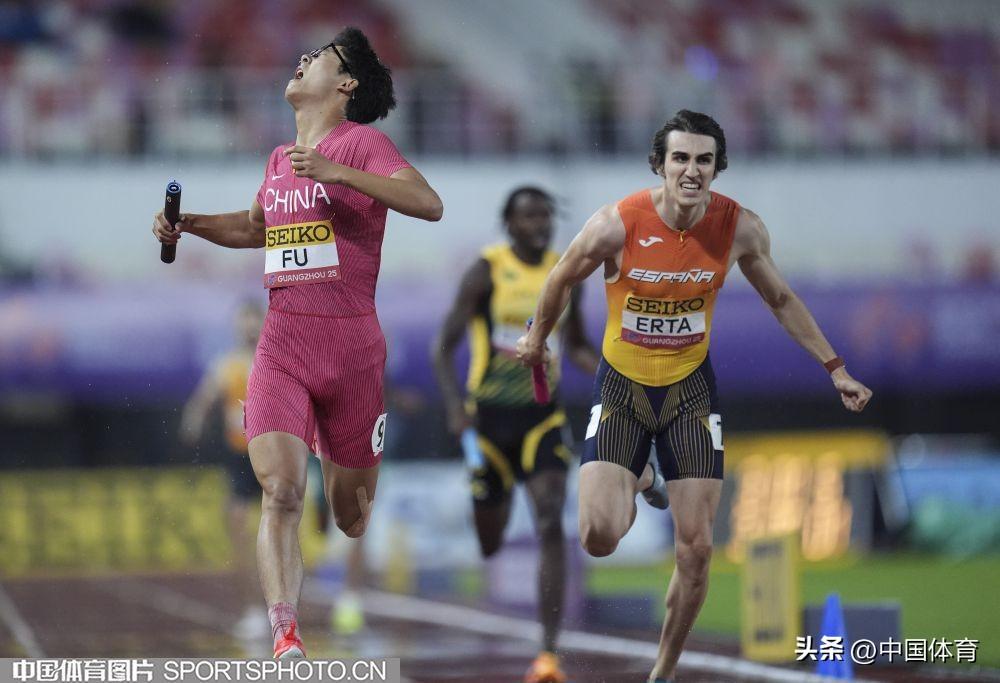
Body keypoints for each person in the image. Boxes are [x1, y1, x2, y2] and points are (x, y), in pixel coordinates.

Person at [515, 110, 872, 683]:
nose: (691, 170)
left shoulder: (740, 228)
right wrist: (537, 338)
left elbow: (781, 299)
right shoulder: (615, 224)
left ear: (716, 167)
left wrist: (835, 368)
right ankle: (642, 478)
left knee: (697, 551)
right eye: (680, 158)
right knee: (598, 537)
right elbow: (560, 277)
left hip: (690, 393)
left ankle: (663, 671)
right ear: (660, 165)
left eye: (704, 160)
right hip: (623, 389)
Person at [153, 27, 443, 659]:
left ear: (346, 84)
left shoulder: (362, 143)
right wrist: (188, 223)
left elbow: (428, 203)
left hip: (353, 353)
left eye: (320, 58)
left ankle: (339, 474)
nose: (302, 59)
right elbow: (255, 227)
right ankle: (286, 636)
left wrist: (339, 172)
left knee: (350, 518)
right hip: (283, 346)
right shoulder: (280, 159)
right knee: (281, 492)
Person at [432, 186, 604, 683]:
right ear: (509, 223)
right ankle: (492, 508)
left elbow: (577, 344)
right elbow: (442, 348)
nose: (539, 224)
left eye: (545, 215)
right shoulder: (486, 271)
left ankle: (548, 653)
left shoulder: (566, 272)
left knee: (550, 518)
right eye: (528, 216)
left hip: (541, 417)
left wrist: (611, 376)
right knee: (490, 538)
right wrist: (454, 408)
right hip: (486, 422)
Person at [180, 300, 269, 641]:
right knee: (239, 528)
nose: (249, 326)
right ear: (235, 326)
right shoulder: (226, 364)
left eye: (254, 319)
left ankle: (283, 608)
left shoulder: (277, 359)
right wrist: (194, 419)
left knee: (278, 529)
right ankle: (252, 611)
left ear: (263, 322)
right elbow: (203, 399)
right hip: (239, 457)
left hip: (273, 454)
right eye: (243, 320)